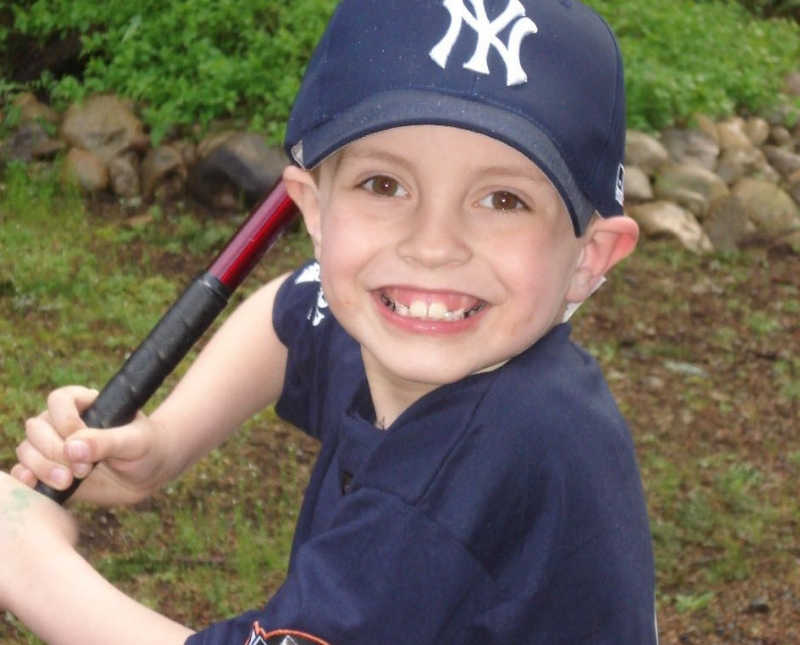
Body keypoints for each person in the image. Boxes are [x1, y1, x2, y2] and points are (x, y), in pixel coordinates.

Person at [1, 0, 659, 643]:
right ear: (314, 211)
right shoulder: (413, 326)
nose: (432, 245)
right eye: (383, 185)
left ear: (589, 258)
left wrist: (30, 565)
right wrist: (168, 443)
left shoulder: (484, 463)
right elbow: (292, 313)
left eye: (503, 199)